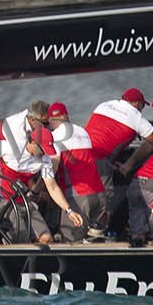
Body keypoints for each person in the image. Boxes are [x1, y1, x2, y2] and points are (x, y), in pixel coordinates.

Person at [0, 109, 81, 244]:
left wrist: (69, 211)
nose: (45, 154)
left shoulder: (44, 159)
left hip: (22, 200)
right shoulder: (11, 147)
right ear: (33, 143)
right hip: (2, 199)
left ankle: (31, 263)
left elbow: (52, 186)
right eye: (43, 150)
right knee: (20, 238)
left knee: (46, 239)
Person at [46, 103, 105, 241]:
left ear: (50, 121)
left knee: (72, 245)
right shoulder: (83, 132)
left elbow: (51, 172)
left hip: (78, 198)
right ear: (66, 116)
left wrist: (38, 190)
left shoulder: (54, 137)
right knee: (95, 244)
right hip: (99, 194)